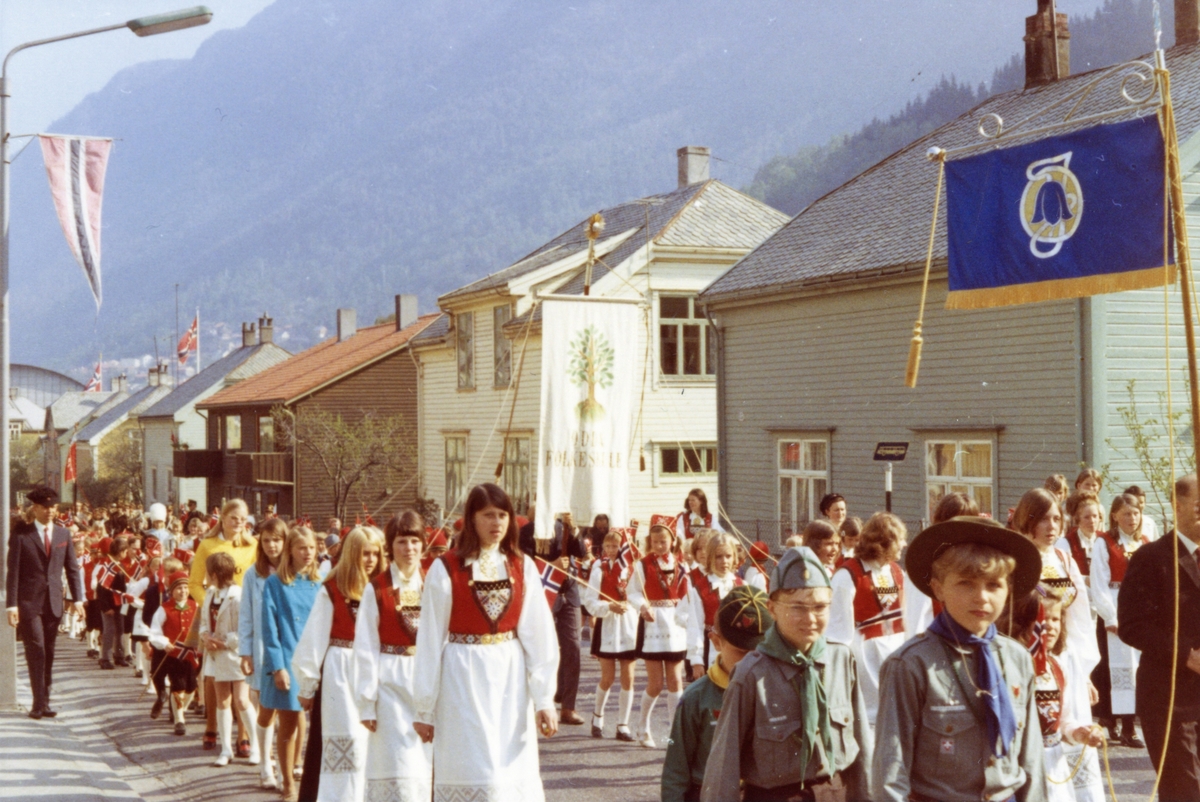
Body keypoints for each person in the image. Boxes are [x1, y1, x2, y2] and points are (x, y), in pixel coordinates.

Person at [874, 516, 1046, 802]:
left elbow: (1032, 759)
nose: (981, 597)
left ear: (1009, 590)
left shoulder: (1017, 658)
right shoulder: (911, 665)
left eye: (994, 585)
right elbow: (890, 771)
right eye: (966, 583)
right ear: (939, 588)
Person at [413, 483, 559, 802]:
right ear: (472, 519)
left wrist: (545, 699)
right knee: (473, 767)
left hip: (510, 680)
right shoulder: (446, 568)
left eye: (503, 515)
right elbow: (428, 641)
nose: (496, 523)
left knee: (507, 773)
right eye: (488, 515)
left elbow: (539, 637)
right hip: (462, 680)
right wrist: (424, 709)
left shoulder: (522, 566)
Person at [700, 547, 872, 802]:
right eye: (798, 608)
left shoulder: (841, 660)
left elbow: (863, 745)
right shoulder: (751, 674)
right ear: (772, 609)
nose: (810, 618)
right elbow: (724, 762)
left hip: (836, 792)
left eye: (820, 607)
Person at [1119, 473, 1200, 801]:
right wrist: (1186, 654)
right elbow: (1132, 625)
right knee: (1185, 791)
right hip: (1169, 699)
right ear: (1177, 506)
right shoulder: (1151, 558)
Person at [292, 526, 384, 802]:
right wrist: (307, 685)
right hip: (342, 673)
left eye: (376, 554)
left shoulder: (384, 587)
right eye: (364, 554)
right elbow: (314, 637)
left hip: (377, 669)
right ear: (352, 554)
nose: (370, 560)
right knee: (346, 742)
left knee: (373, 743)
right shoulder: (332, 589)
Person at [662, 585, 773, 802]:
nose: (750, 661)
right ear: (716, 641)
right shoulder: (696, 698)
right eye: (741, 652)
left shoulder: (777, 693)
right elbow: (675, 771)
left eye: (760, 653)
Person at [998, 589, 1105, 802]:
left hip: (1054, 765)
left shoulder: (1057, 668)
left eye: (1056, 619)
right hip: (1021, 764)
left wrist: (1080, 733)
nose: (1050, 626)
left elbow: (1063, 721)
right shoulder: (1009, 667)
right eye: (1043, 619)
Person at [354, 511, 432, 801]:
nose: (409, 549)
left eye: (414, 541)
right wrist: (366, 703)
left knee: (428, 761)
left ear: (423, 544)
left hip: (427, 681)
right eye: (401, 542)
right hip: (390, 686)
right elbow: (365, 646)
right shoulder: (376, 589)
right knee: (397, 762)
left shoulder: (434, 584)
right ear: (390, 546)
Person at [5, 486, 84, 719]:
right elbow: (13, 573)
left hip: (54, 602)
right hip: (29, 603)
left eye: (54, 508)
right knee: (36, 648)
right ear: (36, 508)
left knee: (48, 651)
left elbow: (72, 569)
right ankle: (37, 702)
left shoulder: (63, 535)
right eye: (46, 508)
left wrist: (78, 600)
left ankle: (45, 701)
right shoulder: (21, 535)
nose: (51, 512)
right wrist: (12, 605)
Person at [189, 498, 258, 752]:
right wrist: (208, 604)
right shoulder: (207, 545)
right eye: (233, 519)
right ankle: (211, 726)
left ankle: (243, 735)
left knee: (242, 672)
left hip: (243, 611)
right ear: (223, 519)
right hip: (214, 611)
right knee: (212, 672)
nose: (238, 524)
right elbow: (195, 582)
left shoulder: (253, 545)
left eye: (243, 520)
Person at [827, 512, 907, 728]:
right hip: (866, 663)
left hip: (894, 657)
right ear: (885, 541)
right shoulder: (847, 575)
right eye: (900, 539)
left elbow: (889, 612)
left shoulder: (893, 570)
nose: (904, 544)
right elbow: (836, 634)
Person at [261, 526, 323, 802]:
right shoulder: (275, 583)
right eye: (301, 548)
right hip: (287, 659)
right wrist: (278, 667)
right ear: (290, 551)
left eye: (311, 547)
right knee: (288, 726)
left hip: (316, 661)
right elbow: (270, 629)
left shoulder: (321, 583)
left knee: (315, 726)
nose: (307, 553)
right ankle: (287, 783)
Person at [1090, 492, 1147, 747]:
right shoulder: (1105, 543)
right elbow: (1099, 582)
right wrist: (1110, 616)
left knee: (1137, 668)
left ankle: (1131, 722)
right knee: (1118, 668)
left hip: (1139, 612)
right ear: (1115, 516)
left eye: (1135, 513)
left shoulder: (1145, 543)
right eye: (1126, 513)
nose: (1132, 518)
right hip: (1114, 608)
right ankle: (1120, 724)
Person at [628, 522, 692, 748]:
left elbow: (688, 596)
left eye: (663, 541)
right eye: (655, 542)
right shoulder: (641, 565)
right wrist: (643, 607)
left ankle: (676, 733)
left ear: (672, 541)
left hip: (675, 625)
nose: (659, 545)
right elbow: (632, 592)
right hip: (653, 624)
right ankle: (643, 727)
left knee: (675, 681)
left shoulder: (683, 566)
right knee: (655, 683)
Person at [239, 518, 287, 789]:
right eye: (266, 540)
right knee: (266, 709)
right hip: (261, 649)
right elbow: (246, 616)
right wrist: (245, 652)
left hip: (289, 647)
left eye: (276, 540)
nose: (271, 545)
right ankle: (265, 766)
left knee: (288, 712)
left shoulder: (293, 571)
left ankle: (284, 767)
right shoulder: (252, 574)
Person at [199, 552, 255, 767]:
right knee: (222, 701)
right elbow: (205, 622)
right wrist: (205, 637)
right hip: (215, 655)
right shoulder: (210, 594)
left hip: (235, 655)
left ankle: (257, 745)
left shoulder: (238, 596)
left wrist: (225, 642)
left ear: (214, 574)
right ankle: (226, 749)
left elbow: (245, 628)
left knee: (241, 700)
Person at [583, 529, 640, 741]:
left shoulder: (633, 570)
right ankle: (597, 717)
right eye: (607, 546)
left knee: (629, 677)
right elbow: (590, 602)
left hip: (628, 624)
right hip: (608, 624)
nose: (611, 550)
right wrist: (608, 606)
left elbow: (639, 596)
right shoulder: (599, 569)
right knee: (607, 677)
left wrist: (633, 606)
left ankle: (623, 725)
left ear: (623, 547)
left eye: (615, 546)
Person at [902, 492, 979, 637]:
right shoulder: (923, 567)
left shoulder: (974, 564)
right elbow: (914, 626)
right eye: (956, 524)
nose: (963, 532)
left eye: (969, 524)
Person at [547, 511, 588, 725]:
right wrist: (550, 563)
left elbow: (580, 551)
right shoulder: (538, 527)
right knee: (543, 646)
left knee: (573, 647)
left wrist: (573, 530)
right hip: (547, 590)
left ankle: (568, 707)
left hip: (569, 592)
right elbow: (526, 556)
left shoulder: (568, 526)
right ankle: (542, 701)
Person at [148, 570, 200, 736]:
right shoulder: (164, 609)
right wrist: (164, 643)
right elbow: (154, 631)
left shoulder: (196, 605)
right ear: (171, 591)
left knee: (192, 686)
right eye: (179, 588)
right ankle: (179, 720)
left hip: (192, 654)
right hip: (174, 655)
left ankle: (180, 710)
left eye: (185, 587)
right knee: (178, 685)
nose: (183, 591)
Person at [685, 532, 744, 677]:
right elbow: (695, 626)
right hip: (710, 649)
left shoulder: (742, 585)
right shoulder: (699, 589)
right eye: (719, 557)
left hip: (738, 647)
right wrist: (697, 660)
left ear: (734, 557)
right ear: (710, 557)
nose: (724, 561)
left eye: (728, 556)